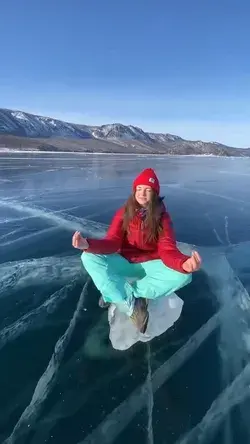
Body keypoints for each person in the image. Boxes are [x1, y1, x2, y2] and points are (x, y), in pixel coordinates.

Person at [72, 168, 201, 334]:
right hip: (125, 261)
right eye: (139, 189)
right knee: (88, 257)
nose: (142, 193)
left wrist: (184, 263)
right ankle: (122, 298)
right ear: (134, 191)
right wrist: (87, 244)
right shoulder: (124, 213)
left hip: (150, 263)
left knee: (184, 275)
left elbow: (167, 248)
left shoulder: (162, 218)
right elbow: (112, 242)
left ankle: (134, 294)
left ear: (155, 194)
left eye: (147, 190)